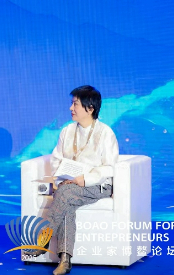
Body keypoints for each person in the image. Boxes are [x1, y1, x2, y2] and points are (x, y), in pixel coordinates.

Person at [39, 86, 119, 275]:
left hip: (98, 185)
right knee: (66, 198)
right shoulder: (67, 131)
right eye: (72, 103)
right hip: (69, 185)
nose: (71, 108)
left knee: (64, 193)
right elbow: (56, 159)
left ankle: (43, 239)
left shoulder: (105, 133)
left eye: (75, 104)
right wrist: (63, 177)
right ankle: (65, 260)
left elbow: (110, 167)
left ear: (90, 108)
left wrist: (85, 179)